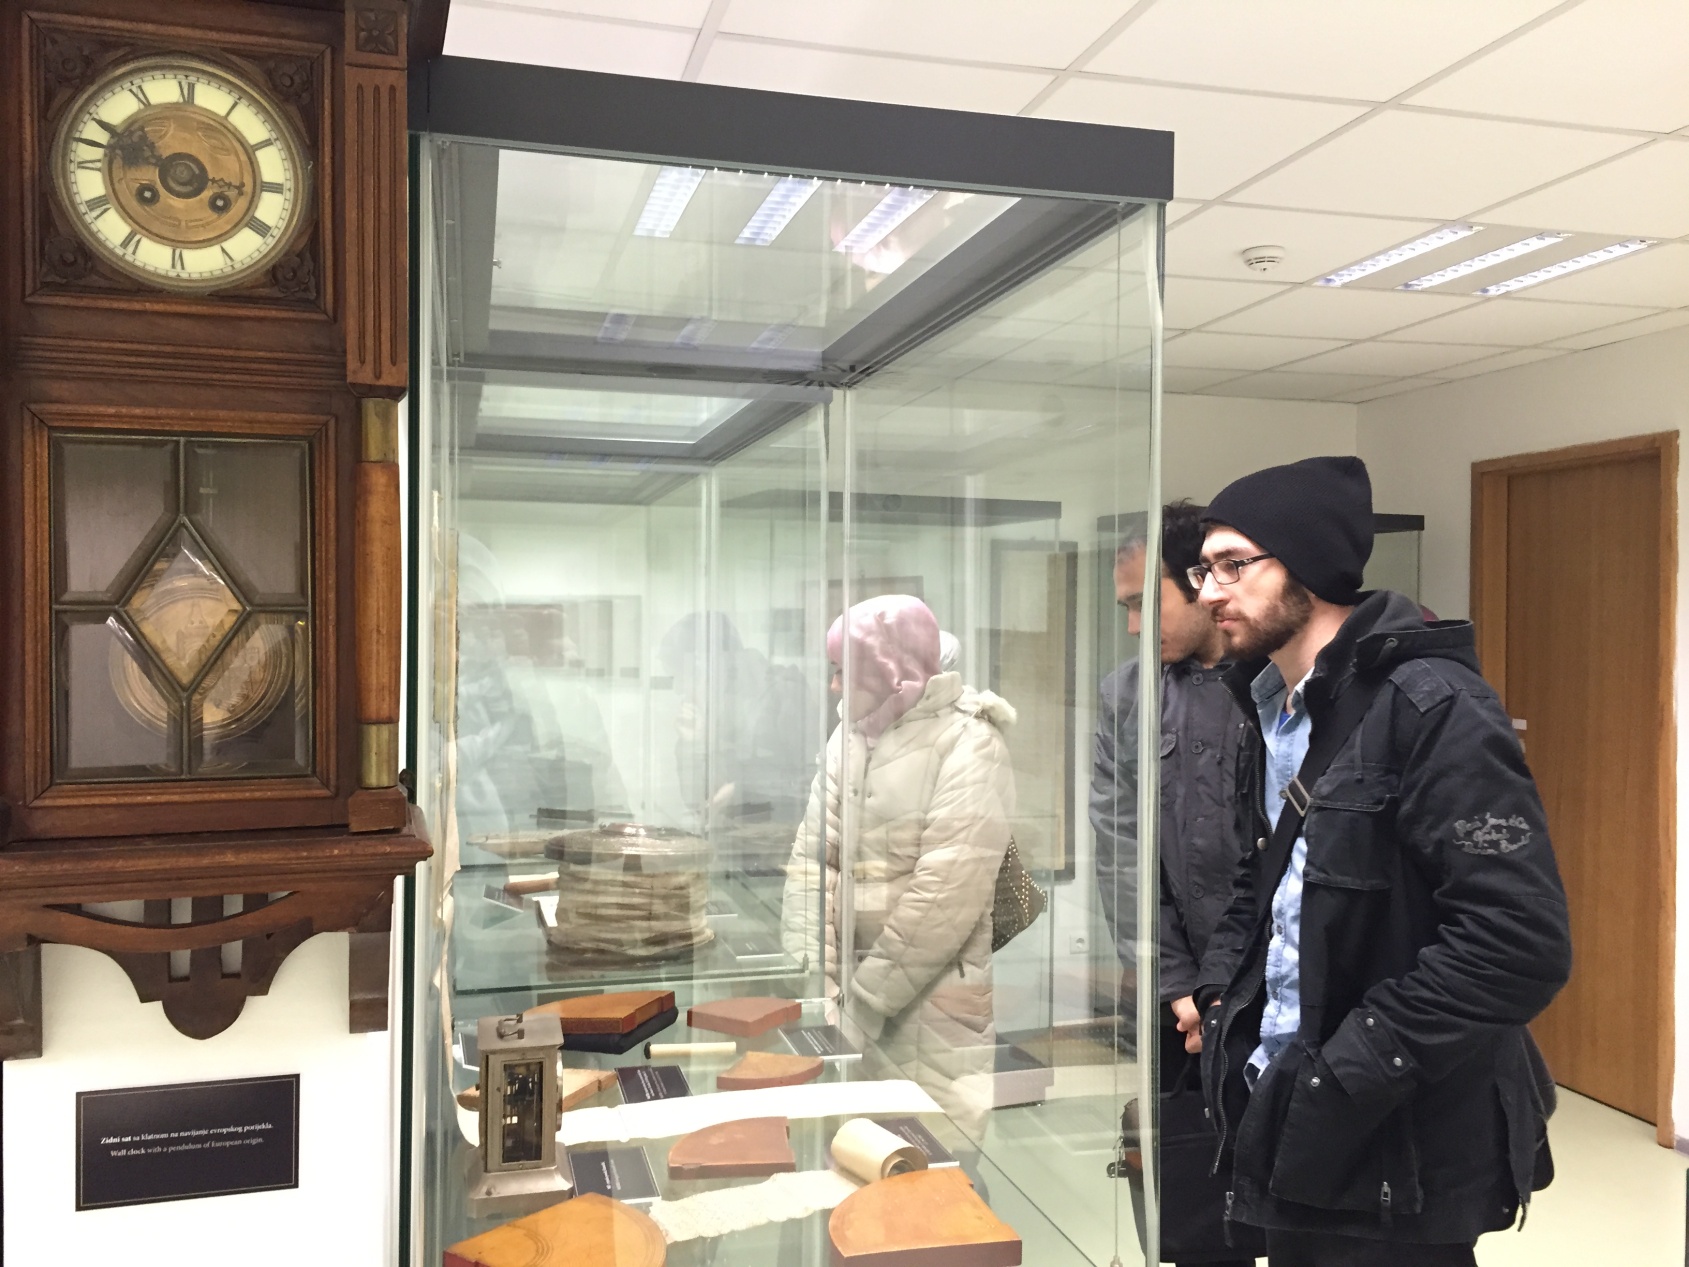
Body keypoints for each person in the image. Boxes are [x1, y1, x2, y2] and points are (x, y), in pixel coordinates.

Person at [1187, 457, 1570, 1266]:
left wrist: (1346, 1070)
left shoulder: (1434, 706)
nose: (1209, 591)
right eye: (1202, 569)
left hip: (1392, 1129)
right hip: (1286, 1100)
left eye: (1233, 564)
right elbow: (1265, 877)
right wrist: (1221, 990)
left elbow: (1515, 944)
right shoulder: (1270, 708)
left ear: (1307, 563)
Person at [1092, 502, 1263, 1267]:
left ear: (1199, 582)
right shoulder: (1127, 695)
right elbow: (1118, 850)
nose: (1133, 626)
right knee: (1198, 1218)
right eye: (1123, 608)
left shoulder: (1271, 683)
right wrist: (1179, 985)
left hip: (1273, 994)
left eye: (1143, 602)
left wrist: (1233, 990)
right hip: (1180, 1001)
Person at [779, 594, 1016, 1132]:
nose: (834, 686)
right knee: (848, 1161)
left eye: (844, 671)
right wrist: (817, 984)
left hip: (932, 1011)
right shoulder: (848, 738)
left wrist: (861, 1004)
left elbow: (944, 898)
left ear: (888, 668)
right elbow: (814, 862)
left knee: (933, 1160)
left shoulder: (971, 744)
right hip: (841, 1006)